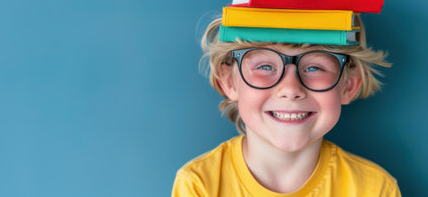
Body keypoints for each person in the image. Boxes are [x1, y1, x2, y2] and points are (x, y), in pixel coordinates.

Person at [171, 17, 401, 196]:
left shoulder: (374, 188)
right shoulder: (199, 184)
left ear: (348, 86)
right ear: (229, 82)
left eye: (314, 68)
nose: (290, 89)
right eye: (265, 67)